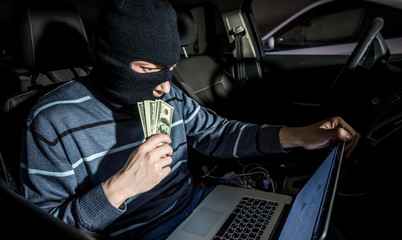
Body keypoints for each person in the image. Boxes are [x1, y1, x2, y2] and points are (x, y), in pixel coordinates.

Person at [20, 0, 360, 239]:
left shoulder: (168, 93)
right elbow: (46, 222)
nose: (165, 85)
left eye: (169, 68)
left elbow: (219, 134)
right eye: (149, 70)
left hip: (201, 205)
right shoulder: (52, 120)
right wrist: (119, 188)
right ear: (111, 59)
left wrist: (299, 135)